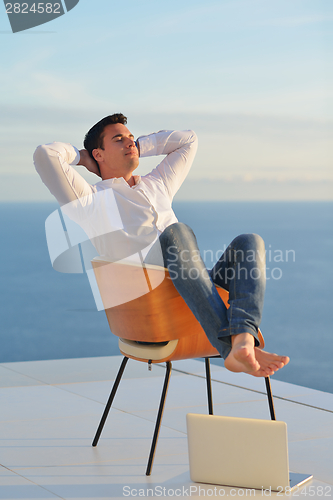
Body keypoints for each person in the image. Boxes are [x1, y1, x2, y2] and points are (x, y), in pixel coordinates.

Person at [34, 113, 289, 378]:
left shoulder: (157, 183)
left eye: (131, 138)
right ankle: (229, 347)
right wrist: (81, 157)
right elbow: (45, 154)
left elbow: (188, 140)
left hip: (194, 295)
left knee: (249, 242)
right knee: (176, 233)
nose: (130, 143)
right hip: (156, 311)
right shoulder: (90, 201)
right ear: (99, 154)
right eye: (119, 140)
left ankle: (243, 340)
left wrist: (140, 147)